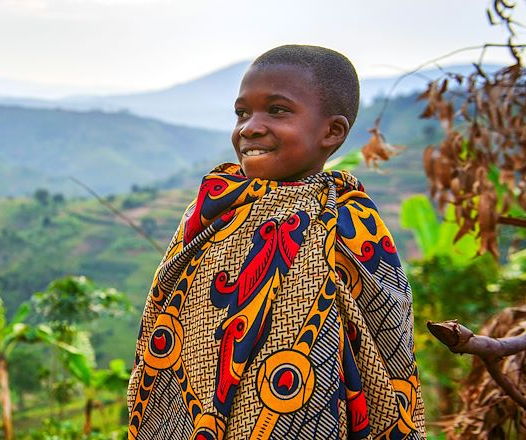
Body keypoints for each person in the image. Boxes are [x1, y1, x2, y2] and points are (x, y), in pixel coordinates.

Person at [126, 45, 425, 439]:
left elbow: (387, 338)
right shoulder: (215, 208)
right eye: (242, 113)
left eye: (277, 110)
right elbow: (169, 322)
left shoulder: (353, 223)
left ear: (332, 131)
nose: (250, 127)